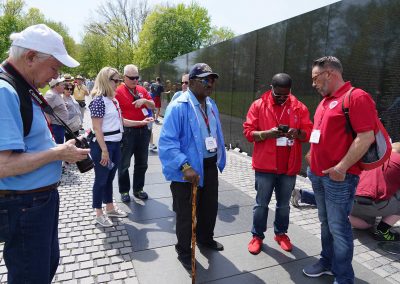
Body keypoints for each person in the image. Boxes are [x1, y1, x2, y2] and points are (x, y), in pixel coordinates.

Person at [0, 24, 89, 284]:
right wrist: (58, 152)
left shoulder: (19, 86)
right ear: (30, 57)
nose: (56, 76)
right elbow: (3, 165)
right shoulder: (6, 91)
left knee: (43, 267)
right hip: (26, 205)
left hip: (35, 202)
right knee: (31, 275)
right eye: (54, 67)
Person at [303, 56, 376, 284]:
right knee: (326, 223)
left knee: (338, 226)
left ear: (329, 73)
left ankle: (344, 277)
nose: (313, 84)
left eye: (315, 78)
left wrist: (342, 167)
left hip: (339, 178)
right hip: (318, 173)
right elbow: (322, 134)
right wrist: (310, 153)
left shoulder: (356, 97)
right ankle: (327, 262)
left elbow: (366, 137)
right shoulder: (326, 101)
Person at [159, 63, 226, 271]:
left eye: (213, 80)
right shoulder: (179, 107)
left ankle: (205, 239)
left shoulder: (211, 104)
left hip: (208, 165)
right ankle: (184, 251)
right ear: (193, 82)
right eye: (206, 80)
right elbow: (167, 143)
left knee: (209, 208)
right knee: (186, 214)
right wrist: (185, 165)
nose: (211, 84)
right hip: (186, 172)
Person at [243, 73, 313, 255]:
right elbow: (248, 133)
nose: (282, 98)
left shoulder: (298, 107)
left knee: (283, 205)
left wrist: (296, 133)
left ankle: (281, 234)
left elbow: (308, 132)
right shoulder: (258, 105)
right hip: (265, 166)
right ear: (271, 88)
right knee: (261, 204)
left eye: (286, 95)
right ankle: (257, 236)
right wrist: (267, 134)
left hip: (288, 167)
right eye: (278, 95)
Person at [293, 144, 400, 241]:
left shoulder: (374, 155)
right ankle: (382, 231)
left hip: (350, 196)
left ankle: (337, 213)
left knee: (368, 223)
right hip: (368, 201)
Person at [88, 67, 129, 227]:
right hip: (103, 146)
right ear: (106, 80)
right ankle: (98, 212)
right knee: (101, 179)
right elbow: (97, 128)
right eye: (116, 80)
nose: (118, 83)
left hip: (115, 144)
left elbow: (121, 121)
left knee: (110, 178)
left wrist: (141, 122)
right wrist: (104, 150)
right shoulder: (98, 100)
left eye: (119, 80)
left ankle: (110, 207)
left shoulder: (113, 100)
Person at [115, 64, 155, 202]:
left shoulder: (142, 89)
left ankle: (138, 189)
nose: (135, 80)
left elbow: (153, 105)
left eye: (137, 77)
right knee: (124, 163)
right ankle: (124, 190)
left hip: (143, 132)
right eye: (131, 78)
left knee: (142, 162)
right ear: (124, 77)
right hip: (127, 132)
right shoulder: (118, 91)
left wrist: (145, 101)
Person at [45, 77, 68, 144]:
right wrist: (48, 119)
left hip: (60, 125)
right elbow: (44, 108)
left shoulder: (57, 94)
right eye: (62, 85)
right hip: (56, 126)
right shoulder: (51, 95)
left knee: (60, 143)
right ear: (55, 86)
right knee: (58, 145)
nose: (64, 86)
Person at [143, 81, 157, 151]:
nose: (146, 86)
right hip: (143, 117)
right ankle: (147, 144)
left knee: (149, 130)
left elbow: (153, 106)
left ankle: (150, 144)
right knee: (146, 131)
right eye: (145, 85)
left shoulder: (150, 94)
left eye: (147, 85)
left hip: (149, 116)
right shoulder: (140, 94)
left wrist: (153, 115)